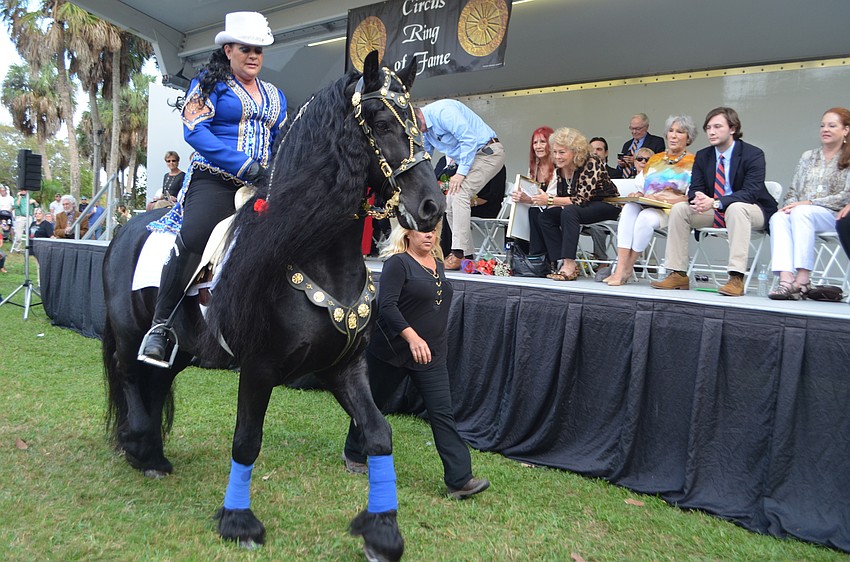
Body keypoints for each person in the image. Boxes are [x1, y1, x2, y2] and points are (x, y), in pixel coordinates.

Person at [140, 11, 287, 367]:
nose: (253, 56)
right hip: (215, 180)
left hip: (263, 185)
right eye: (245, 48)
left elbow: (282, 139)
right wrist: (243, 164)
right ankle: (161, 326)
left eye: (259, 50)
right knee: (196, 232)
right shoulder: (209, 83)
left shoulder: (276, 95)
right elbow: (196, 131)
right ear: (228, 51)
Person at [342, 224, 490, 500]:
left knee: (442, 414)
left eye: (433, 230)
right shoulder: (398, 264)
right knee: (374, 404)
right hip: (392, 350)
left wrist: (430, 342)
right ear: (407, 233)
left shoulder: (437, 264)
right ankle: (354, 452)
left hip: (430, 355)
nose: (429, 235)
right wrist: (412, 338)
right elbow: (387, 307)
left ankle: (459, 480)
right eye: (423, 230)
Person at [651, 107, 777, 296]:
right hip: (715, 209)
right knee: (680, 209)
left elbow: (750, 192)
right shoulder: (704, 155)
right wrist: (699, 198)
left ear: (732, 128)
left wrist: (716, 202)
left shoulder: (753, 154)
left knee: (736, 208)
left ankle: (736, 277)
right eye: (708, 127)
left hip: (752, 210)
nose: (711, 131)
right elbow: (695, 188)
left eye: (717, 127)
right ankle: (677, 273)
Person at [512, 127, 620, 280]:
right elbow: (565, 197)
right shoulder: (560, 167)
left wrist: (549, 200)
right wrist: (546, 203)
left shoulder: (591, 161)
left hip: (606, 204)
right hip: (579, 206)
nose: (557, 156)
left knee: (569, 212)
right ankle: (555, 262)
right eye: (555, 152)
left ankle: (570, 264)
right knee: (544, 215)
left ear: (575, 151)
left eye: (562, 152)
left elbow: (580, 199)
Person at [768, 107, 850, 299]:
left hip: (834, 215)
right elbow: (793, 191)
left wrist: (808, 202)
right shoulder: (808, 156)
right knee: (779, 217)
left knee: (802, 212)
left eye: (832, 125)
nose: (825, 129)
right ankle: (786, 280)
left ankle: (803, 278)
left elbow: (846, 195)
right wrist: (790, 205)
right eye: (822, 125)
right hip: (803, 214)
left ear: (846, 130)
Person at [606, 115, 697, 286]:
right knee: (628, 209)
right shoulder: (655, 159)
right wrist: (637, 194)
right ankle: (620, 269)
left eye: (680, 132)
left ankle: (626, 268)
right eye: (671, 131)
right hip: (648, 204)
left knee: (645, 218)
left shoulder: (694, 162)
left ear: (688, 137)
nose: (674, 135)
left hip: (671, 211)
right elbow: (642, 186)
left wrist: (666, 198)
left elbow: (691, 196)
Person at [415, 99, 505, 270]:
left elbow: (469, 139)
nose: (416, 131)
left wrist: (460, 173)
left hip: (488, 152)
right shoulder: (425, 127)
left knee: (460, 192)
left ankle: (458, 253)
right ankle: (467, 257)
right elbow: (425, 153)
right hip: (473, 157)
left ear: (417, 115)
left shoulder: (443, 112)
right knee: (449, 202)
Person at [434, 155, 507, 257]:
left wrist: (472, 202)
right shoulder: (447, 161)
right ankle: (436, 252)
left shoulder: (493, 163)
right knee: (440, 210)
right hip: (459, 204)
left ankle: (452, 254)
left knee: (451, 212)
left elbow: (494, 194)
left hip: (485, 207)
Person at [617, 113, 666, 179]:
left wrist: (636, 161)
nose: (634, 132)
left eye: (638, 129)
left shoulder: (657, 142)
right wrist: (621, 165)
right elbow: (620, 170)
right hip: (625, 181)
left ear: (647, 127)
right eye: (632, 128)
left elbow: (659, 165)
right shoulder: (627, 145)